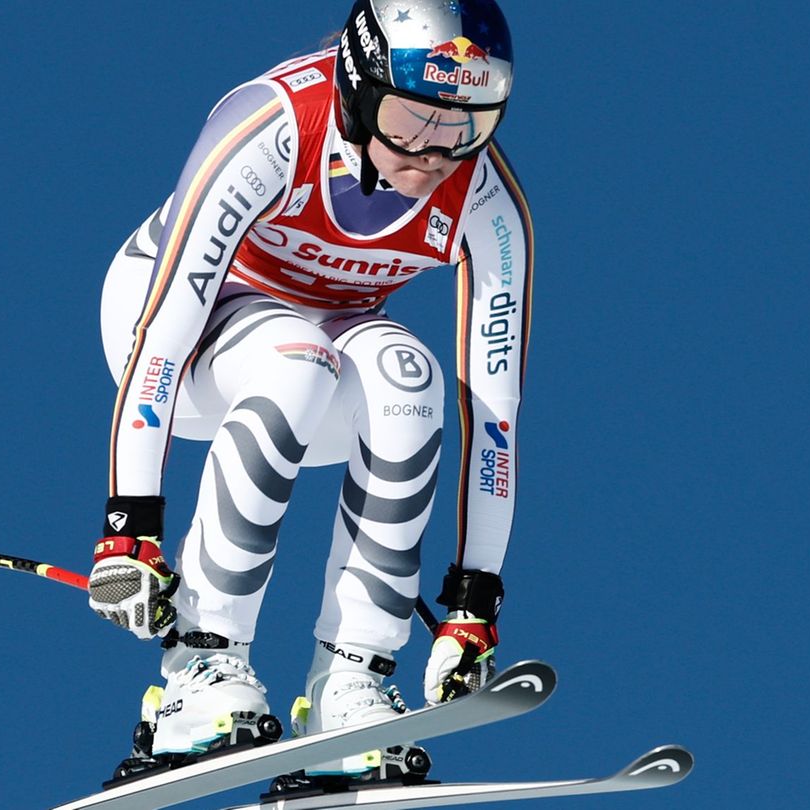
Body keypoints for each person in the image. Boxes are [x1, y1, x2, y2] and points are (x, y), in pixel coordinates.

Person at [88, 0, 531, 783]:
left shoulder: (485, 203)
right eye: (414, 120)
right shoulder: (273, 125)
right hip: (175, 337)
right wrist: (131, 526)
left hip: (319, 354)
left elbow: (492, 413)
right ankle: (201, 666)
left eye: (465, 126)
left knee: (410, 377)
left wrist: (474, 604)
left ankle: (351, 685)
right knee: (296, 358)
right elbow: (163, 329)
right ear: (362, 86)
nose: (434, 154)